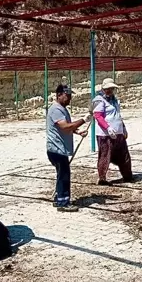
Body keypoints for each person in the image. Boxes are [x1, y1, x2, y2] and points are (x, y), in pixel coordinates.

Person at [46, 84, 91, 212]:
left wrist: (78, 132)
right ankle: (63, 202)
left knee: (62, 174)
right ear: (59, 95)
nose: (69, 98)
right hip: (56, 149)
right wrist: (83, 120)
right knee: (64, 175)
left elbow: (67, 127)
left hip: (60, 149)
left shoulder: (62, 109)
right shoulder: (56, 109)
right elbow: (65, 127)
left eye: (70, 96)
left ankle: (59, 197)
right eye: (67, 95)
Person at [92, 78, 133, 185]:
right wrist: (108, 128)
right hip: (105, 134)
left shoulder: (114, 100)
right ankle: (102, 178)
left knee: (124, 155)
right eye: (108, 88)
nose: (110, 90)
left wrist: (123, 128)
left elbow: (118, 115)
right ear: (103, 89)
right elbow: (98, 116)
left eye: (111, 88)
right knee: (105, 155)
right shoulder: (99, 100)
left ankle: (128, 176)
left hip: (118, 133)